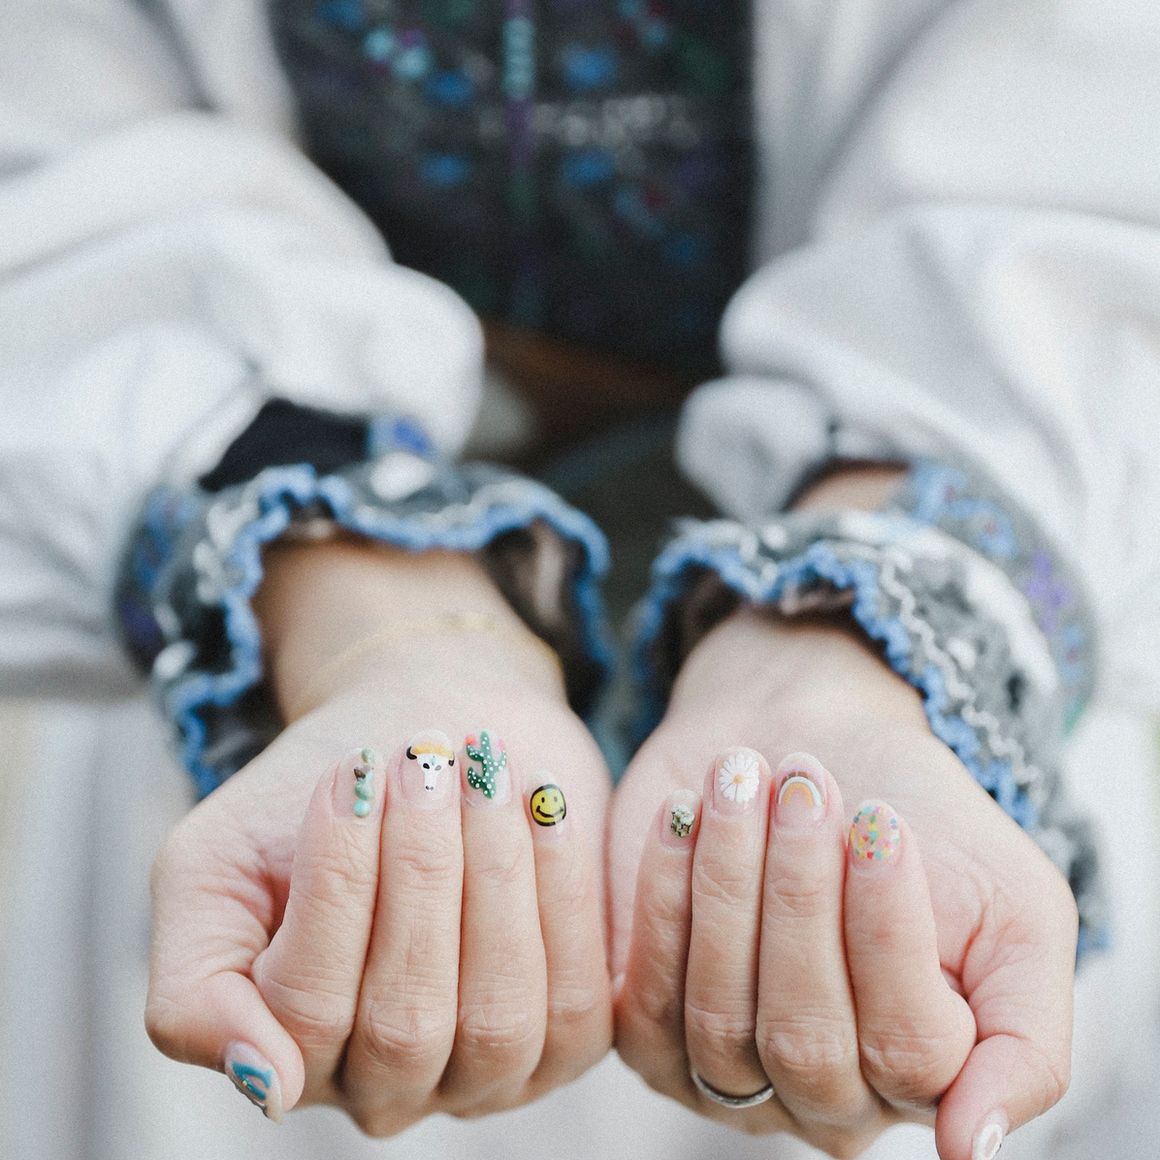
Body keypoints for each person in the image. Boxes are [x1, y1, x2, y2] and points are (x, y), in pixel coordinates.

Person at [3, 3, 1160, 1160]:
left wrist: (852, 662)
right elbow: (58, 154)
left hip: (904, 770)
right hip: (300, 754)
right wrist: (365, 618)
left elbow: (1082, 171)